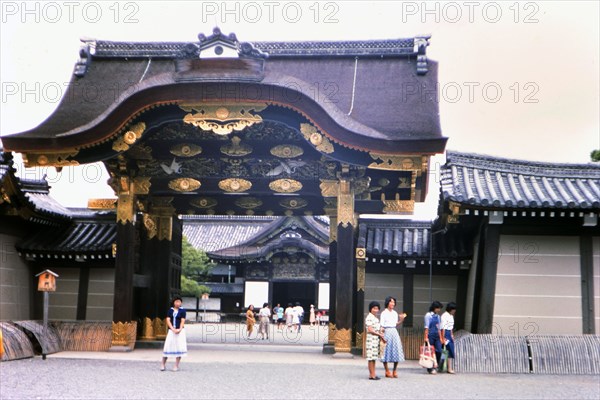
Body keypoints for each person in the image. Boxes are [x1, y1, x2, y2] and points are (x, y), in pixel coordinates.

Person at [379, 296, 406, 378]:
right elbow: (382, 325)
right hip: (386, 331)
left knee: (396, 350)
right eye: (391, 302)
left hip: (394, 331)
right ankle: (387, 371)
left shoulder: (395, 313)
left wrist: (401, 320)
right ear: (387, 302)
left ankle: (394, 370)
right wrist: (381, 335)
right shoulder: (384, 313)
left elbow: (395, 324)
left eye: (394, 302)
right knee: (385, 351)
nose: (392, 303)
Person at [161, 295, 187, 371]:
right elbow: (168, 320)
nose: (178, 303)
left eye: (179, 301)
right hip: (171, 331)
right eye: (176, 301)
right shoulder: (170, 310)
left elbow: (182, 321)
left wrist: (179, 329)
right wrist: (172, 329)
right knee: (167, 346)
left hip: (180, 331)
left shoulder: (183, 311)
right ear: (173, 302)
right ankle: (163, 364)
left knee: (179, 347)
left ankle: (176, 365)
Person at [365, 301, 386, 380]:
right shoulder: (369, 317)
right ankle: (372, 374)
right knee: (370, 358)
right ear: (371, 309)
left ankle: (373, 374)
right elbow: (370, 329)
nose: (376, 310)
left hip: (375, 340)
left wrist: (381, 330)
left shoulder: (375, 318)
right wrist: (379, 334)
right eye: (374, 308)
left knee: (374, 358)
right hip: (371, 339)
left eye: (377, 308)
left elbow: (377, 328)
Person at [424, 300, 444, 374]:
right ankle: (430, 368)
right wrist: (426, 337)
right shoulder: (428, 315)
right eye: (438, 308)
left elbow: (439, 328)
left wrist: (441, 338)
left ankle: (436, 365)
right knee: (430, 352)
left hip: (437, 336)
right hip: (430, 335)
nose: (439, 310)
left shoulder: (438, 317)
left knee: (439, 351)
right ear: (434, 308)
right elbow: (426, 327)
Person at [441, 302, 457, 374]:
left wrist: (452, 335)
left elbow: (451, 327)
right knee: (446, 351)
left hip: (449, 334)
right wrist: (443, 337)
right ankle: (445, 367)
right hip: (445, 334)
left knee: (449, 350)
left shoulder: (451, 316)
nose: (455, 311)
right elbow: (443, 328)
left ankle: (447, 367)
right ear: (451, 309)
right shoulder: (444, 316)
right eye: (454, 309)